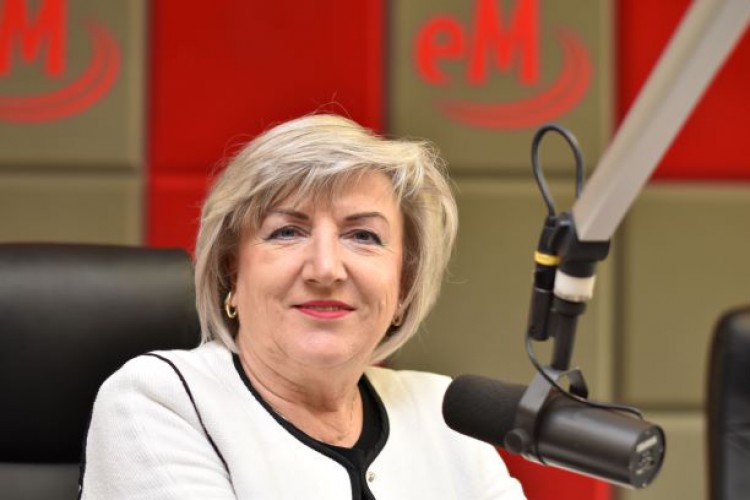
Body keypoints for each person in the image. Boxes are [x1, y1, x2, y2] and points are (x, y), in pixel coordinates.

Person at [80, 114, 525, 499]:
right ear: (231, 273)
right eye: (287, 232)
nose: (326, 269)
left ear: (403, 284)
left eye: (363, 236)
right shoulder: (160, 401)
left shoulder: (444, 414)